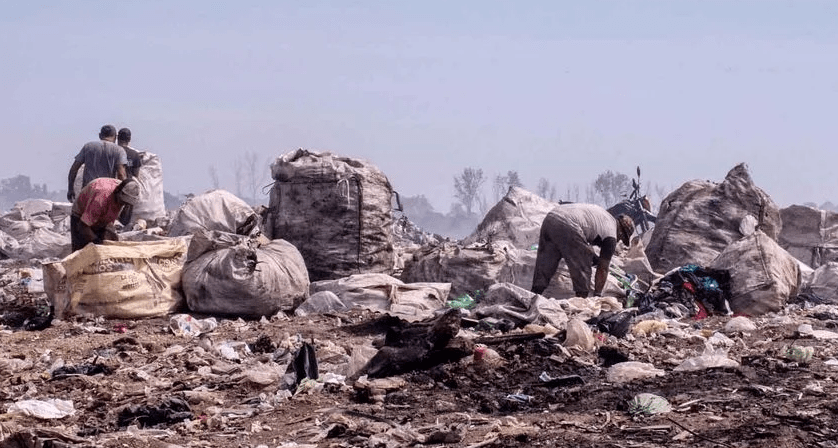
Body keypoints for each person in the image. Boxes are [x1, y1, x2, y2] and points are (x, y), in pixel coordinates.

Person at [531, 203, 634, 298]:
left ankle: (532, 297)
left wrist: (593, 257)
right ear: (621, 231)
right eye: (622, 238)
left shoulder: (605, 218)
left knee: (545, 264)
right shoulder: (611, 235)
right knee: (583, 269)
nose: (619, 240)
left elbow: (583, 240)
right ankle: (581, 303)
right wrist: (597, 295)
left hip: (552, 217)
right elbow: (603, 268)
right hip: (568, 224)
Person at [70, 178, 140, 251]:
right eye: (122, 202)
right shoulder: (100, 199)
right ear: (118, 193)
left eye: (125, 203)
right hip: (80, 215)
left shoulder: (124, 192)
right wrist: (96, 241)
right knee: (80, 251)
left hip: (100, 213)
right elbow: (83, 225)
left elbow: (108, 222)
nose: (122, 205)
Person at [67, 125, 128, 202]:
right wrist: (123, 193)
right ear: (115, 137)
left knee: (85, 213)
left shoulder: (88, 147)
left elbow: (74, 169)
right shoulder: (119, 150)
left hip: (88, 191)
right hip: (107, 193)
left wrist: (70, 189)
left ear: (100, 135)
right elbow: (121, 174)